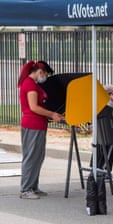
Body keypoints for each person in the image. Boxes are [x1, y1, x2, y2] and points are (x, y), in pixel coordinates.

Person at [18, 61, 64, 199]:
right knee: (31, 157)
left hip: (37, 124)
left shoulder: (31, 84)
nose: (45, 77)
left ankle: (32, 186)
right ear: (40, 72)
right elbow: (34, 107)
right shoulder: (30, 85)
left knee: (37, 157)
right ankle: (26, 189)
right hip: (32, 124)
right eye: (45, 74)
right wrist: (52, 114)